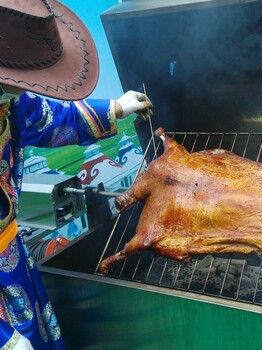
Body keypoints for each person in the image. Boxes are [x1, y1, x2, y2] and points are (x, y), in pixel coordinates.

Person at [0, 0, 153, 349]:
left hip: (13, 261)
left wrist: (115, 108)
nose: (30, 89)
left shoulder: (11, 100)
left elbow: (52, 119)